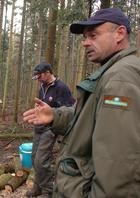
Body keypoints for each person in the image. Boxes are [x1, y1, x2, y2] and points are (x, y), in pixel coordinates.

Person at [23, 8, 140, 197]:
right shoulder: (110, 74)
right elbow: (90, 119)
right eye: (85, 37)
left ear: (119, 33)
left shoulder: (120, 79)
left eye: (93, 35)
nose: (85, 43)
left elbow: (119, 166)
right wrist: (56, 115)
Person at [26, 61, 75, 197]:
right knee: (34, 157)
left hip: (51, 129)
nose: (38, 80)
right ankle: (38, 187)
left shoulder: (61, 87)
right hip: (39, 127)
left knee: (42, 160)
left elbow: (69, 110)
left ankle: (48, 190)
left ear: (48, 73)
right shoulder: (42, 86)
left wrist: (53, 115)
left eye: (40, 76)